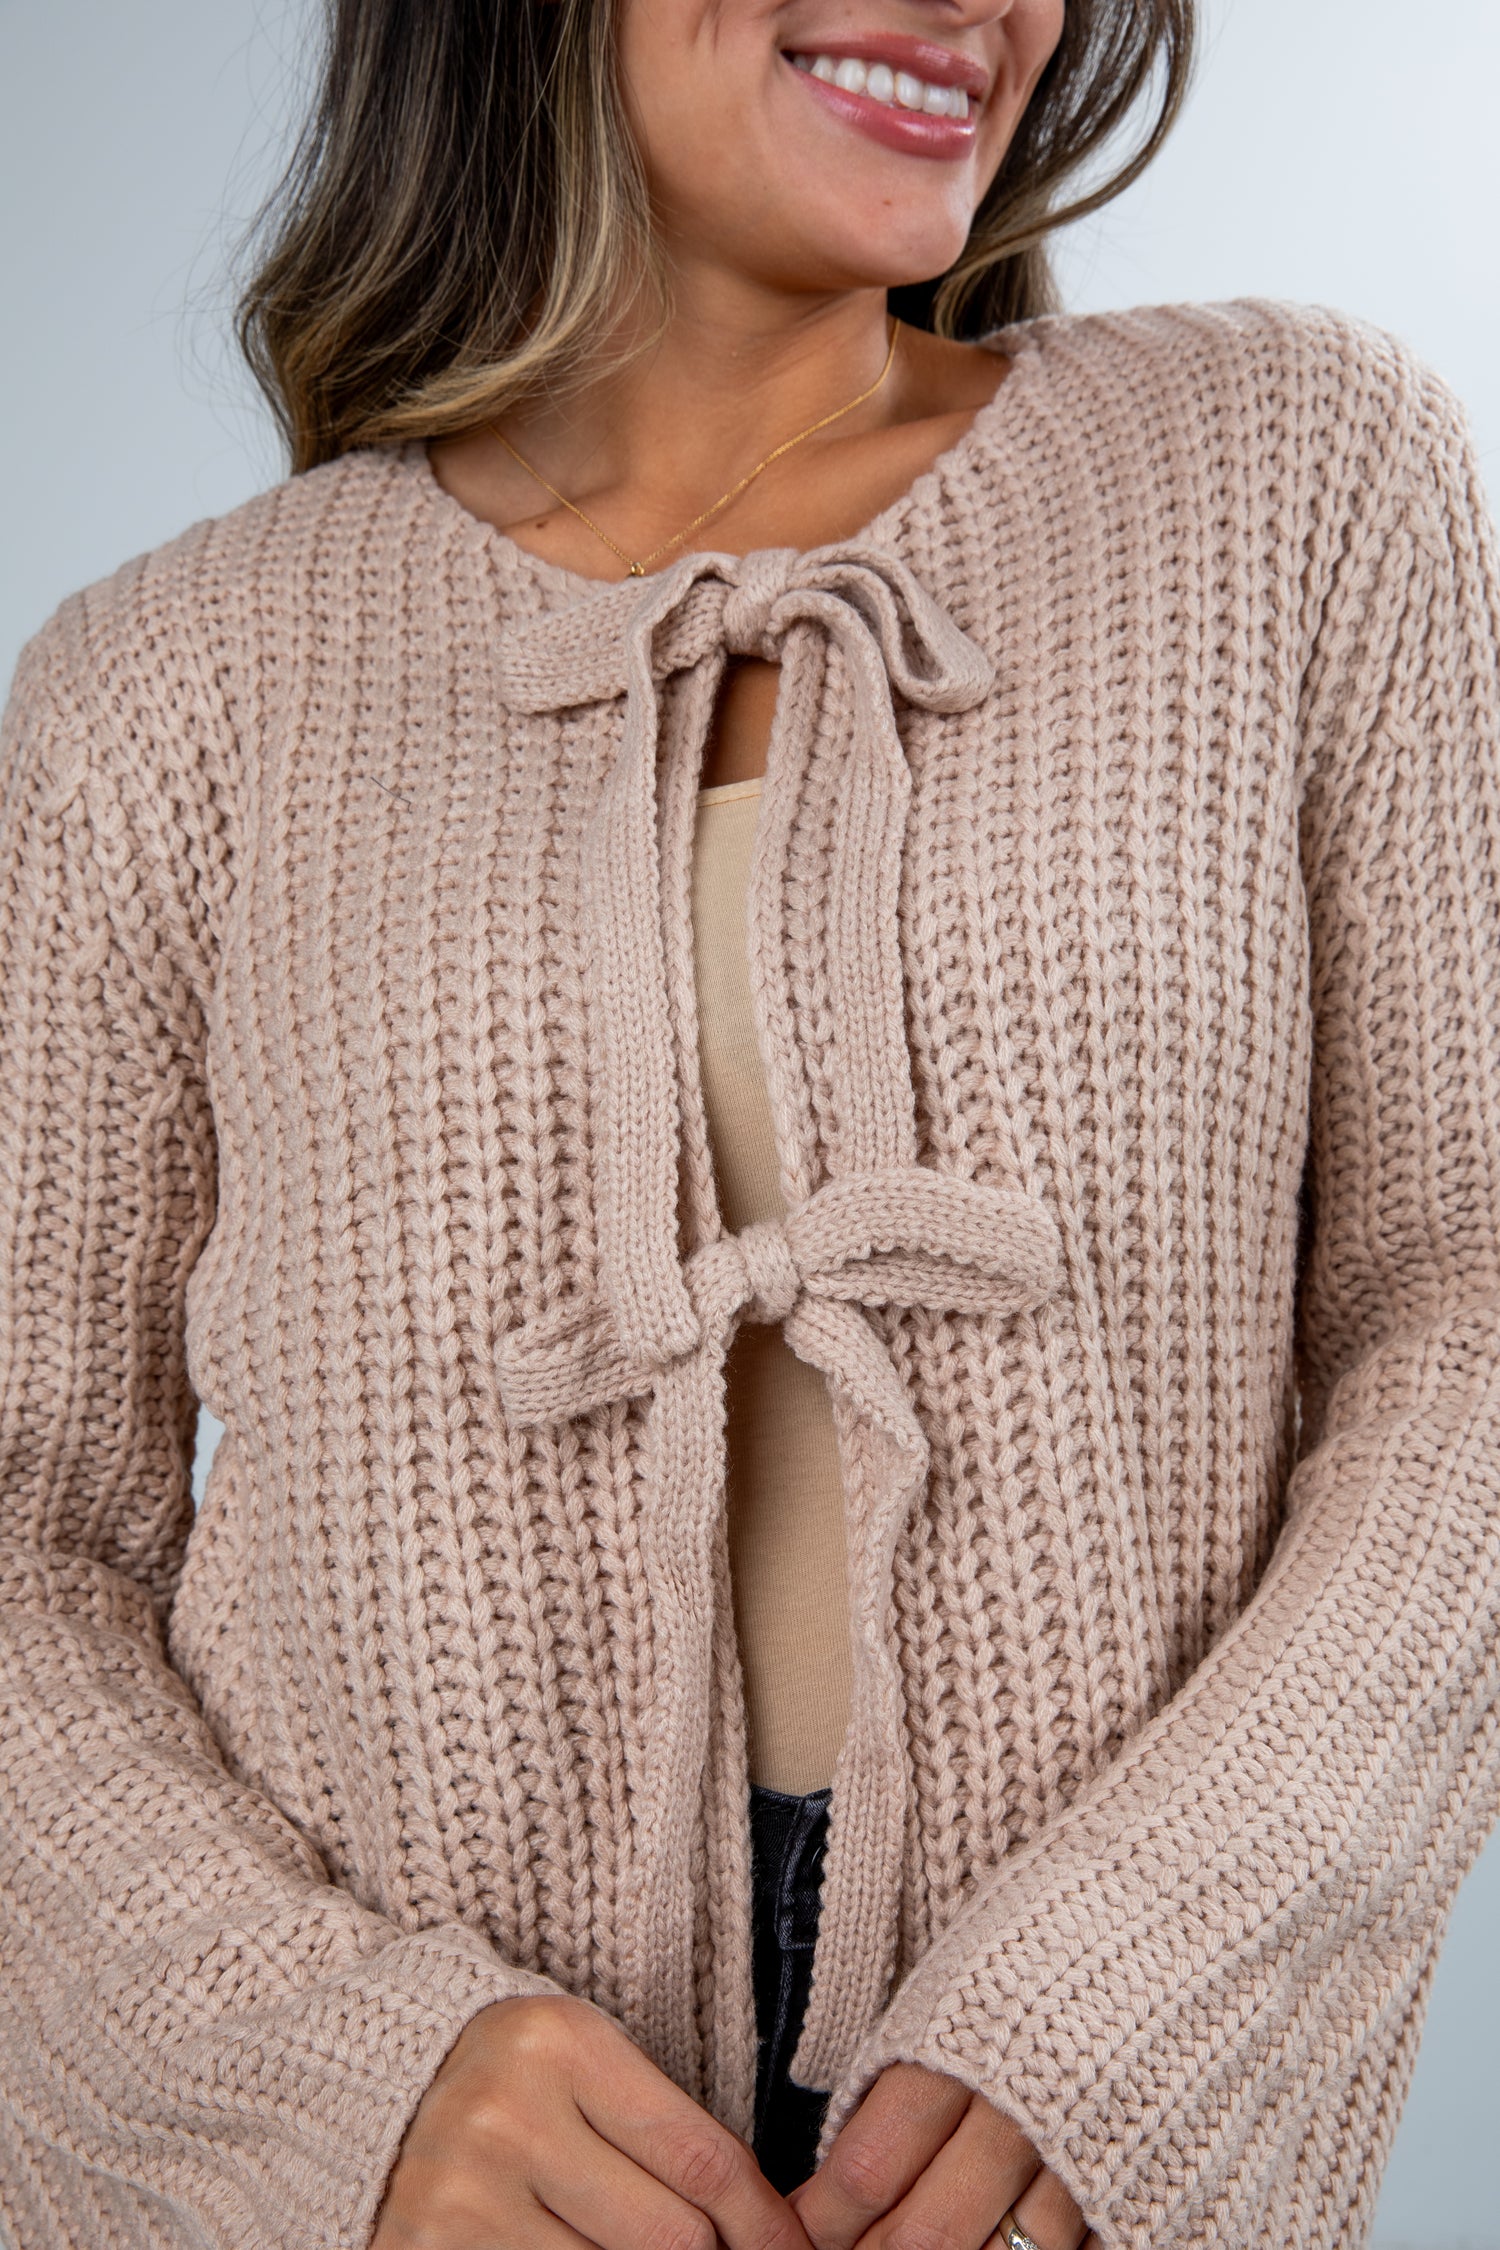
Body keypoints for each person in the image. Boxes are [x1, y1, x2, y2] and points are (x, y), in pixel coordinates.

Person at [1, 0, 1497, 2245]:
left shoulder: (1294, 476)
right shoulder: (164, 694)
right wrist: (327, 2078)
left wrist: (1156, 1994)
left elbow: (1470, 1301)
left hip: (1066, 2146)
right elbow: (24, 1536)